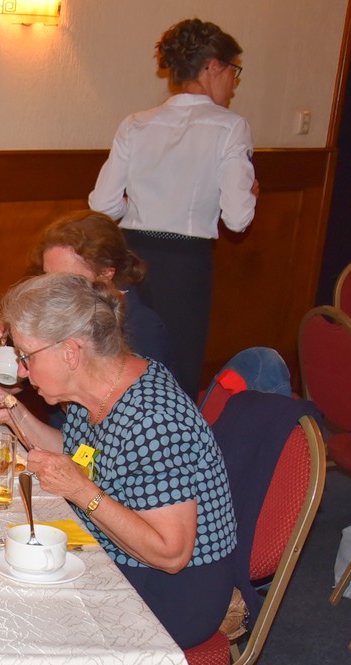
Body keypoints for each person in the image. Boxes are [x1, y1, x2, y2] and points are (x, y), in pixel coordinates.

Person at [0, 273, 238, 665]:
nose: (20, 371)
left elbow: (171, 552)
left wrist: (82, 492)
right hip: (122, 557)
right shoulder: (103, 391)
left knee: (21, 599)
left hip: (172, 594)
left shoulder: (155, 419)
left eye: (26, 356)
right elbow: (78, 454)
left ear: (71, 351)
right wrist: (14, 415)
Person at [88, 18, 257, 398]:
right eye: (234, 71)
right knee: (178, 370)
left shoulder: (136, 124)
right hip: (185, 264)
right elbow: (237, 218)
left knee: (127, 362)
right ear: (213, 66)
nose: (234, 83)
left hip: (132, 259)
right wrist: (251, 191)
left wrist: (140, 201)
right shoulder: (230, 127)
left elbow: (102, 205)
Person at [0, 210, 172, 372]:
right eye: (47, 276)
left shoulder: (142, 327)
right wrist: (0, 350)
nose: (51, 289)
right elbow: (13, 386)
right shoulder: (54, 310)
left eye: (66, 279)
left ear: (106, 274)